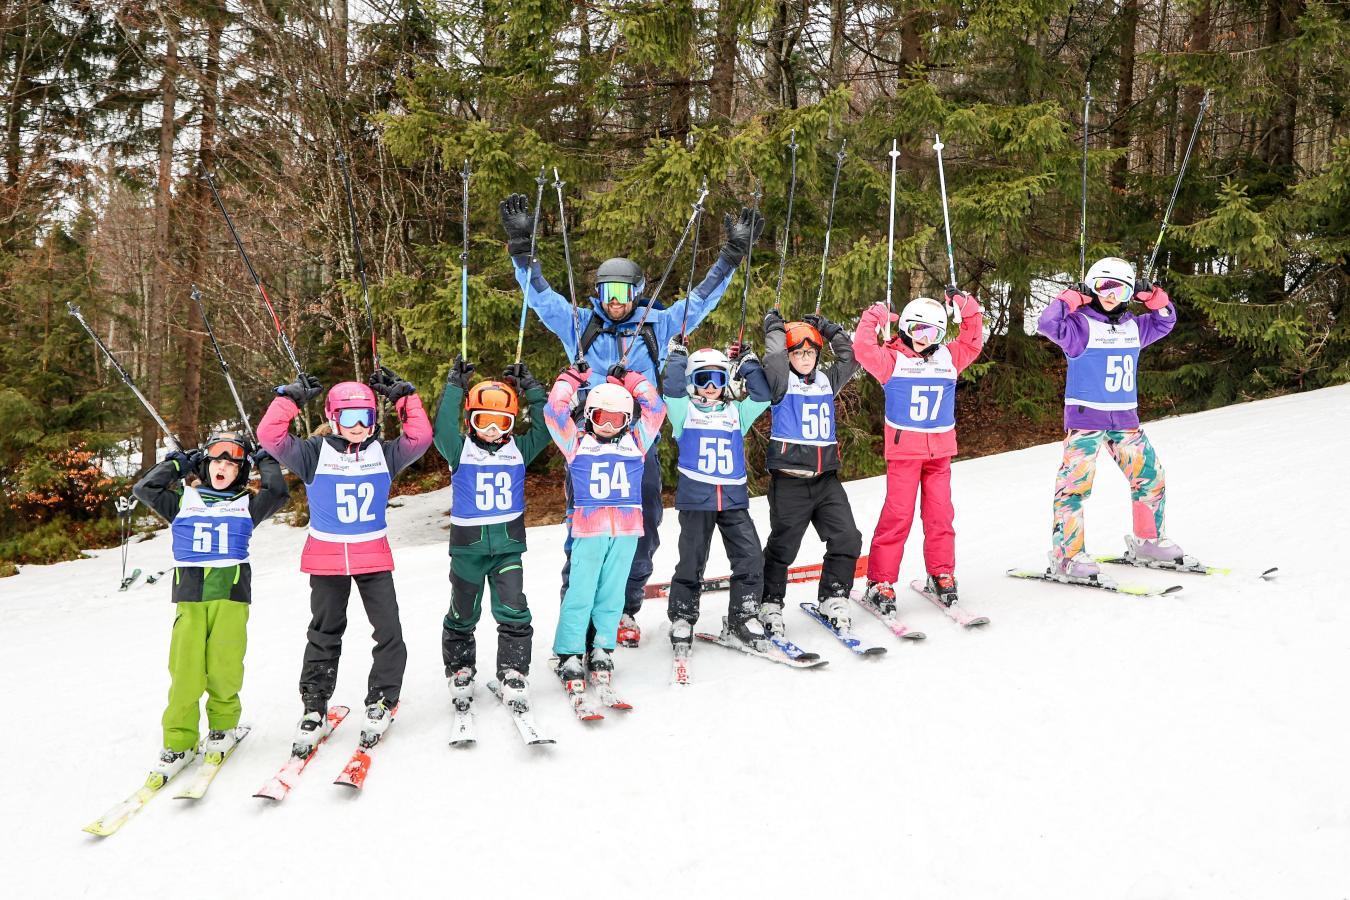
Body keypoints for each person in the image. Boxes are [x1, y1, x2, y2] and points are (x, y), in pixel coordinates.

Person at [499, 191, 763, 645]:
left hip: (638, 445)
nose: (615, 302)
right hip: (589, 445)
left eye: (622, 293)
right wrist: (523, 252)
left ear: (637, 292)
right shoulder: (580, 324)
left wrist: (731, 256)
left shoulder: (657, 324)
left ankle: (624, 607)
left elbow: (701, 299)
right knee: (582, 529)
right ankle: (578, 610)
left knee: (643, 527)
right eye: (607, 293)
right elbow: (541, 298)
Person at [257, 366, 431, 752]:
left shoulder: (384, 453)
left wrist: (405, 398)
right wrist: (289, 399)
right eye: (349, 417)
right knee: (324, 633)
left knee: (389, 631)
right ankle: (314, 707)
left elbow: (420, 438)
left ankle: (382, 700)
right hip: (327, 560)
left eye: (366, 417)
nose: (358, 426)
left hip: (373, 558)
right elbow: (269, 435)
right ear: (333, 417)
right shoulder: (312, 454)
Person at [132, 431, 289, 783]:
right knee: (185, 673)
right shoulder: (182, 501)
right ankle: (179, 742)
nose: (223, 468)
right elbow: (145, 489)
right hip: (190, 599)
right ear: (205, 465)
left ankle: (222, 729)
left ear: (240, 472)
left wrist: (265, 460)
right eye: (217, 460)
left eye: (231, 465)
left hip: (230, 598)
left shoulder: (248, 505)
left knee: (224, 668)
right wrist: (177, 465)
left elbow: (278, 492)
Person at [1036, 256, 1181, 581]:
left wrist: (1152, 295)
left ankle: (1148, 541)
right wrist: (1070, 298)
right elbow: (1047, 324)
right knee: (1074, 488)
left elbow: (1166, 319)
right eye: (1104, 287)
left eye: (1122, 290)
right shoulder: (1080, 326)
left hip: (1125, 422)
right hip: (1086, 423)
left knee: (1150, 476)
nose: (1112, 296)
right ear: (1092, 288)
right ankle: (1067, 556)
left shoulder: (1135, 326)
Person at [851, 291, 983, 610]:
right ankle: (880, 581)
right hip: (904, 456)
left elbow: (972, 341)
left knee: (940, 515)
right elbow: (863, 349)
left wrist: (968, 308)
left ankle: (941, 573)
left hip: (939, 455)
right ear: (906, 328)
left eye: (934, 333)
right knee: (898, 516)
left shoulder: (949, 358)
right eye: (918, 329)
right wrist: (874, 316)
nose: (925, 339)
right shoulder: (891, 360)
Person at [432, 358, 550, 713]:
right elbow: (442, 430)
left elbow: (545, 428)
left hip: (507, 549)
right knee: (462, 612)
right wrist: (455, 388)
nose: (494, 430)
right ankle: (460, 669)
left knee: (514, 610)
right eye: (485, 421)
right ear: (471, 420)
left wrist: (533, 391)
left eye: (503, 422)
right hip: (468, 550)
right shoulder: (459, 450)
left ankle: (513, 671)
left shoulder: (519, 450)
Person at [543, 363, 665, 699]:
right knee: (581, 592)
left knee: (612, 595)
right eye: (600, 417)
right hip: (589, 532)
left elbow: (655, 408)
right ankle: (569, 652)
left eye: (616, 419)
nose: (608, 426)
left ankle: (602, 648)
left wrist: (632, 380)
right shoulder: (576, 443)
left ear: (627, 420)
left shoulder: (637, 443)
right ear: (589, 416)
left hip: (625, 534)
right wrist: (570, 379)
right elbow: (554, 412)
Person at [661, 340, 774, 653]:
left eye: (718, 378)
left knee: (750, 556)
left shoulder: (736, 413)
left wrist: (747, 362)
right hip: (696, 500)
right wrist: (677, 358)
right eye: (702, 379)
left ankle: (744, 615)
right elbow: (671, 390)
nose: (711, 386)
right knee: (692, 559)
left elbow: (762, 395)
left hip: (733, 500)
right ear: (692, 382)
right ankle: (682, 616)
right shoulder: (684, 412)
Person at [759, 309, 863, 636]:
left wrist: (828, 328)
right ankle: (769, 601)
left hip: (826, 480)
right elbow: (773, 357)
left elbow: (851, 357)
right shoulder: (781, 381)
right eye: (798, 353)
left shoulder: (825, 380)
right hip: (790, 481)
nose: (805, 358)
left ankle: (833, 595)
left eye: (810, 352)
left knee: (847, 537)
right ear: (789, 356)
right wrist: (775, 327)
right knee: (783, 546)